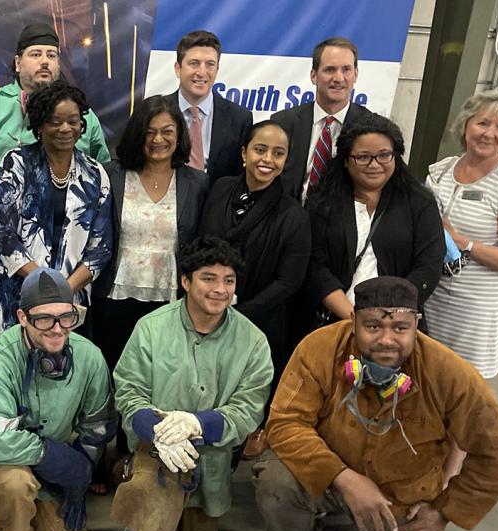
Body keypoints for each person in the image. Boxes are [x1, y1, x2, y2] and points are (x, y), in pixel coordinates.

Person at [247, 276, 498, 531]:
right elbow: (285, 422)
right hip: (329, 471)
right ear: (353, 322)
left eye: (400, 328)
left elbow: (496, 453)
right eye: (372, 326)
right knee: (276, 478)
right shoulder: (318, 348)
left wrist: (445, 510)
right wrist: (344, 478)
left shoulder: (449, 373)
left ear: (416, 325)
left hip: (400, 495)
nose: (386, 340)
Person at [110, 236, 272, 531]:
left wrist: (197, 424)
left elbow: (249, 406)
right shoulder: (151, 329)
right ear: (185, 281)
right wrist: (160, 430)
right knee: (156, 489)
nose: (220, 289)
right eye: (208, 278)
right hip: (156, 450)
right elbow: (128, 391)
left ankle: (172, 514)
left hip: (210, 455)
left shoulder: (253, 341)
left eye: (228, 280)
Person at [0, 268, 114, 531]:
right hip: (5, 459)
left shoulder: (90, 357)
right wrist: (52, 456)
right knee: (15, 484)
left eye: (66, 317)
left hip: (58, 461)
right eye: (44, 320)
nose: (57, 329)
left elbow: (98, 424)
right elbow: (1, 440)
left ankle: (21, 517)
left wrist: (82, 467)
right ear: (22, 317)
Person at [197, 121, 310, 457]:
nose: (268, 159)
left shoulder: (294, 216)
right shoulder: (220, 188)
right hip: (204, 314)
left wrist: (234, 314)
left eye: (278, 153)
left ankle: (224, 468)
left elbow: (289, 282)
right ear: (244, 153)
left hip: (256, 322)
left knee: (235, 402)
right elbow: (201, 246)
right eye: (260, 149)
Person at [0, 80, 113, 340]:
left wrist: (64, 290)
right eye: (55, 121)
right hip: (15, 292)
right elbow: (3, 234)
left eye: (73, 121)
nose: (65, 128)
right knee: (12, 368)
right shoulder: (16, 163)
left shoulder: (95, 173)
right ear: (39, 124)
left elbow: (101, 247)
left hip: (70, 301)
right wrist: (43, 285)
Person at [424, 90, 498, 379]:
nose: (490, 134)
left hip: (475, 315)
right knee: (424, 382)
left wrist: (465, 243)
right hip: (432, 303)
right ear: (465, 125)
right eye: (483, 123)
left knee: (463, 391)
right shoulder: (439, 172)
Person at [91, 94, 208, 368]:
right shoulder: (111, 175)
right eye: (150, 132)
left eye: (167, 131)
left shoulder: (197, 183)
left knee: (160, 373)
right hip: (113, 297)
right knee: (111, 370)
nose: (158, 140)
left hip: (169, 299)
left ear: (179, 135)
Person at [304, 114, 444, 326]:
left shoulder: (419, 203)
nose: (374, 164)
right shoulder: (323, 203)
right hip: (336, 322)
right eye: (363, 157)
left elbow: (428, 267)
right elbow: (316, 268)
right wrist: (354, 318)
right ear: (345, 160)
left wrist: (388, 318)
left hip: (398, 324)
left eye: (384, 155)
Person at [0, 23, 110, 203]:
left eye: (51, 55)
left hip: (70, 225)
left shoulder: (81, 116)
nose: (45, 61)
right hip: (1, 226)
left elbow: (104, 172)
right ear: (18, 63)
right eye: (35, 54)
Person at [271, 37, 374, 204]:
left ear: (356, 74)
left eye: (346, 69)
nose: (339, 78)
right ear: (313, 76)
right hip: (290, 221)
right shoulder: (283, 123)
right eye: (330, 70)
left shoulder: (372, 129)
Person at [164, 30, 252, 184]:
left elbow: (240, 178)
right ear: (178, 69)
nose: (201, 72)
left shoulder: (239, 119)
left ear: (217, 70)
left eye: (210, 64)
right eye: (194, 63)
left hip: (216, 205)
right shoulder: (156, 112)